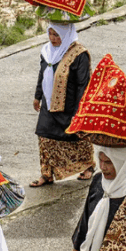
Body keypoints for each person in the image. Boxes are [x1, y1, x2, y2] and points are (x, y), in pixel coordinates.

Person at [30, 23, 95, 187]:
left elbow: (83, 84)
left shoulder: (79, 54)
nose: (53, 39)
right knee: (44, 135)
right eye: (50, 34)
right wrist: (37, 96)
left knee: (76, 137)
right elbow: (42, 74)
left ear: (66, 34)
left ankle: (87, 166)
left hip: (70, 104)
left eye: (57, 35)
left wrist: (78, 110)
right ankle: (46, 173)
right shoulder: (47, 52)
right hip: (49, 101)